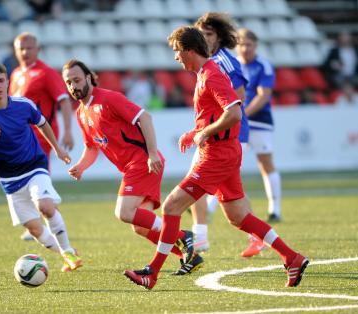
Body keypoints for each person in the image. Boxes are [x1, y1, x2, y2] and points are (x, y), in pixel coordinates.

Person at [124, 26, 308, 290]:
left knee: (171, 207)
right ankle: (292, 257)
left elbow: (234, 112)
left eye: (177, 52)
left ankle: (152, 272)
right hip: (224, 151)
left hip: (217, 155)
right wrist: (194, 133)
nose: (176, 58)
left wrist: (205, 133)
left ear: (189, 50)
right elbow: (215, 115)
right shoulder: (203, 74)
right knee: (238, 216)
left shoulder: (211, 75)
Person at [62, 59, 203, 276]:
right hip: (132, 167)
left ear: (89, 77)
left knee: (124, 212)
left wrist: (153, 153)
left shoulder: (109, 98)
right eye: (69, 82)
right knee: (140, 226)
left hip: (142, 162)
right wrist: (81, 166)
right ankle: (188, 255)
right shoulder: (81, 113)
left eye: (77, 80)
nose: (73, 86)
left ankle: (183, 236)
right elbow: (92, 147)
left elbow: (145, 118)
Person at [0, 63, 82, 273]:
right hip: (9, 179)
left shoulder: (23, 105)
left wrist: (57, 149)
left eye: (1, 80)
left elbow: (42, 123)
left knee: (45, 207)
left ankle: (68, 252)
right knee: (35, 229)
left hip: (34, 165)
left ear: (8, 82)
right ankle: (67, 252)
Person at [190, 12, 255, 255]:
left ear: (219, 37)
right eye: (202, 34)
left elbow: (239, 98)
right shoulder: (204, 61)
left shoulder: (224, 62)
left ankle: (200, 238)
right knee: (231, 191)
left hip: (230, 132)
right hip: (214, 132)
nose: (205, 38)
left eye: (209, 34)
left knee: (193, 183)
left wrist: (212, 125)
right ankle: (256, 235)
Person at [9, 32, 74, 241]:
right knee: (25, 180)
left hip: (40, 136)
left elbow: (63, 100)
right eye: (21, 48)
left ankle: (49, 222)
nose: (25, 52)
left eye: (29, 48)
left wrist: (68, 131)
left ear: (37, 50)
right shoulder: (16, 73)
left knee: (37, 178)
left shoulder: (46, 73)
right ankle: (39, 222)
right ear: (16, 51)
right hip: (20, 138)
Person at [236, 28, 282, 223]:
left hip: (259, 120)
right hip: (238, 119)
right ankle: (209, 208)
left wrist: (242, 114)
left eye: (249, 44)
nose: (245, 48)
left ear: (255, 46)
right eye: (242, 44)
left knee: (265, 163)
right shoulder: (234, 65)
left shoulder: (263, 65)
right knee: (230, 164)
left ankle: (275, 209)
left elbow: (264, 96)